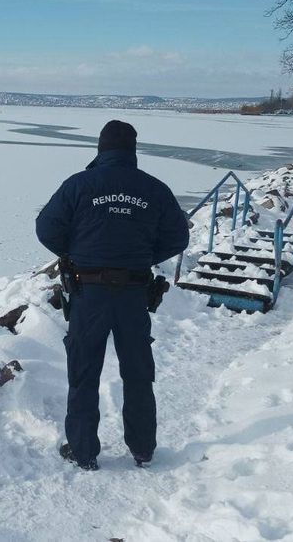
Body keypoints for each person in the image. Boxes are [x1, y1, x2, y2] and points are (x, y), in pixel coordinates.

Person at [35, 120, 190, 471]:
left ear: (101, 148)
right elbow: (178, 238)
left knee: (84, 371)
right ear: (132, 150)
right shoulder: (154, 189)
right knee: (137, 372)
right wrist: (145, 257)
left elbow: (45, 229)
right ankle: (143, 449)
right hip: (134, 293)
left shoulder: (78, 185)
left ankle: (83, 450)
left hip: (88, 291)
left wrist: (75, 251)